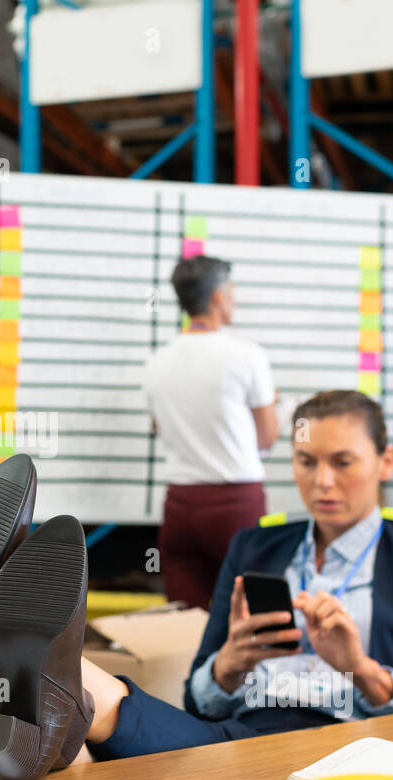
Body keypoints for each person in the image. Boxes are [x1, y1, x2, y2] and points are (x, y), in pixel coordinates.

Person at [73, 390, 393, 762]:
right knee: (88, 745)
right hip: (247, 737)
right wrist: (227, 668)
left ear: (386, 463)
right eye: (306, 462)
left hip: (361, 747)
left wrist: (362, 670)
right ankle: (53, 674)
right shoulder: (254, 547)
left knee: (98, 742)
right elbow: (199, 704)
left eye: (343, 462)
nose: (322, 481)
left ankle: (54, 678)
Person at [143, 255, 279, 610]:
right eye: (231, 291)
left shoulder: (157, 360)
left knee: (188, 624)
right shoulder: (247, 356)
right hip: (235, 504)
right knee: (255, 612)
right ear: (219, 297)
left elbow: (161, 429)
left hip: (180, 508)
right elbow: (268, 437)